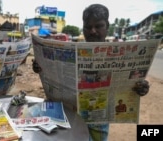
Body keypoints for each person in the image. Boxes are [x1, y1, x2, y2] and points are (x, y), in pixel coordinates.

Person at [32, 4, 150, 141]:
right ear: (83, 28)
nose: (93, 31)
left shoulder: (122, 53)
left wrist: (140, 87)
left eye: (98, 26)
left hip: (98, 124)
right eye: (88, 27)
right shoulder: (72, 49)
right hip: (68, 118)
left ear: (107, 27)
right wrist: (40, 66)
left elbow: (131, 85)